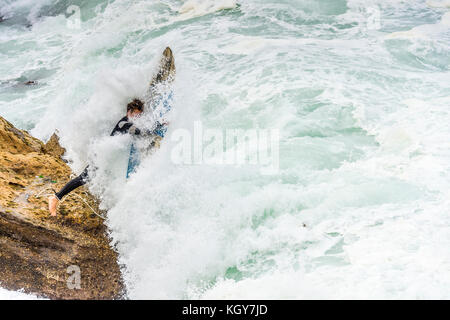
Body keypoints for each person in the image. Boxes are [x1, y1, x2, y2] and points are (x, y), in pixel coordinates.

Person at [48, 98, 157, 216]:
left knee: (98, 180)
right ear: (129, 112)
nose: (137, 118)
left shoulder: (129, 123)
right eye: (135, 115)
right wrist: (157, 127)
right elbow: (138, 132)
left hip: (109, 159)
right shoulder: (123, 123)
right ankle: (55, 198)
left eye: (139, 116)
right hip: (101, 157)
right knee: (83, 178)